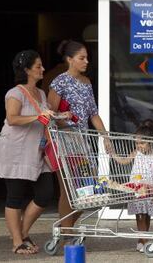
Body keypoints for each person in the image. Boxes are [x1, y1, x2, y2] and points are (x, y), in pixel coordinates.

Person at [0, 50, 55, 254]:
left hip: (37, 150)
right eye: (38, 66)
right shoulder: (15, 93)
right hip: (16, 151)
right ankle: (17, 242)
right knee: (15, 196)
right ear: (27, 70)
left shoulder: (42, 93)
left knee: (45, 194)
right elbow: (12, 118)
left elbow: (44, 117)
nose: (43, 69)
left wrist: (59, 115)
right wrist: (38, 117)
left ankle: (22, 232)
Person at [47, 40, 109, 232]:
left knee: (88, 192)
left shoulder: (87, 82)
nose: (87, 61)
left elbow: (93, 113)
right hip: (64, 143)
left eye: (87, 57)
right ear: (69, 59)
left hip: (83, 144)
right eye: (82, 58)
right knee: (68, 191)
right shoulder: (60, 82)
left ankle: (65, 230)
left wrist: (105, 136)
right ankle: (67, 236)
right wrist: (64, 122)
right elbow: (50, 113)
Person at [110, 119, 153, 253]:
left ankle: (141, 240)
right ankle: (145, 241)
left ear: (151, 141)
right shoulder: (136, 153)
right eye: (137, 143)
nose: (139, 146)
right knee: (139, 214)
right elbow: (123, 161)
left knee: (147, 215)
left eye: (142, 143)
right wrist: (112, 153)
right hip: (138, 190)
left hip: (151, 191)